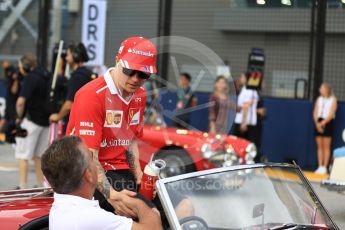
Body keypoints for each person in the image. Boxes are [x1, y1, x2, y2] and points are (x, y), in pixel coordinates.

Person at [66, 36, 156, 217]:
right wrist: (111, 195)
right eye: (130, 70)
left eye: (143, 74)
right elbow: (88, 157)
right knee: (147, 216)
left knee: (179, 205)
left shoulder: (140, 95)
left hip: (120, 172)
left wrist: (140, 176)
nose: (135, 79)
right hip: (84, 171)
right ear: (117, 61)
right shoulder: (91, 95)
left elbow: (131, 142)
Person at [41, 135, 162, 230]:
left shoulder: (62, 205)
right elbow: (154, 228)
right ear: (88, 174)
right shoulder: (89, 217)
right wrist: (139, 202)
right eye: (92, 156)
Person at [15, 53, 50, 189]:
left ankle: (22, 186)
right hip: (45, 122)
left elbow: (20, 102)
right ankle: (42, 186)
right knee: (39, 156)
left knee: (23, 154)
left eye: (20, 67)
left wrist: (19, 117)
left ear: (26, 66)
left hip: (30, 122)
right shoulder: (46, 75)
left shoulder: (31, 78)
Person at [49, 43, 96, 132]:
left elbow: (69, 105)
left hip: (75, 124)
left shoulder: (77, 77)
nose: (66, 58)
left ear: (75, 56)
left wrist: (58, 117)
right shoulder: (87, 74)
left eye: (68, 55)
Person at [313, 82, 337, 174]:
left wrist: (324, 122)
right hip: (318, 122)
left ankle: (325, 167)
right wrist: (317, 123)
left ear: (326, 89)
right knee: (319, 146)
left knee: (326, 147)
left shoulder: (333, 99)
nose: (320, 89)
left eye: (321, 88)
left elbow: (331, 113)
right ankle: (320, 166)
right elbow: (315, 112)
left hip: (328, 122)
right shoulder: (319, 99)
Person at [232, 73, 259, 142]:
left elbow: (246, 106)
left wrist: (243, 123)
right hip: (246, 123)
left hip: (243, 123)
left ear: (246, 79)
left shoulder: (248, 90)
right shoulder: (249, 90)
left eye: (242, 77)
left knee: (238, 144)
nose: (240, 79)